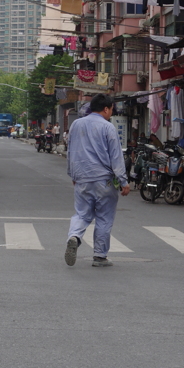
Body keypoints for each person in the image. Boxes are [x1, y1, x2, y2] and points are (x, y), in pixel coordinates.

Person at [64, 94, 130, 267]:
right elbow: (116, 157)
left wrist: (72, 174)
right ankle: (100, 256)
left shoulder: (76, 124)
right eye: (111, 111)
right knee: (104, 218)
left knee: (81, 214)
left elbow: (70, 151)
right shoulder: (108, 128)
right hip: (104, 181)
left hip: (82, 179)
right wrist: (124, 181)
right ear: (106, 109)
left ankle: (74, 236)